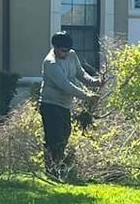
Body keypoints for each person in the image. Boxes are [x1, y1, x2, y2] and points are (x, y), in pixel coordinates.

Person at [39, 31, 98, 175]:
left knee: (65, 135)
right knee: (54, 137)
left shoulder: (71, 55)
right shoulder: (50, 63)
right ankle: (51, 169)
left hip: (65, 105)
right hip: (50, 104)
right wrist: (87, 96)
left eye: (67, 50)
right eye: (62, 50)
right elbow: (65, 86)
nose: (65, 53)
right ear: (55, 47)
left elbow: (80, 73)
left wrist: (94, 82)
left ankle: (58, 165)